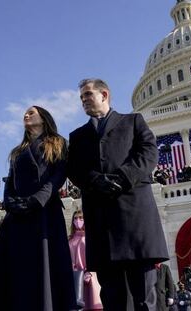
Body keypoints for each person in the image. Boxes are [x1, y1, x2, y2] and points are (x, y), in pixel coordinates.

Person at [67, 78, 169, 311]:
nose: (83, 100)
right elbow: (73, 168)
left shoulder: (132, 121)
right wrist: (95, 180)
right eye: (81, 97)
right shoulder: (78, 136)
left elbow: (148, 152)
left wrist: (122, 177)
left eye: (88, 95)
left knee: (145, 298)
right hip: (102, 227)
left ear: (104, 94)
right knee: (114, 298)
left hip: (135, 222)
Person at [0, 106, 76, 311]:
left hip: (44, 213)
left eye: (31, 112)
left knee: (44, 269)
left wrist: (36, 200)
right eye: (25, 112)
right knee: (14, 271)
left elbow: (58, 176)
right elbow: (9, 181)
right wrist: (10, 202)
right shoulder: (18, 151)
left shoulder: (58, 143)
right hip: (17, 217)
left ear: (44, 118)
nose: (26, 114)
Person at [68, 209, 103, 310]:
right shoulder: (70, 240)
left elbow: (94, 256)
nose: (78, 221)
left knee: (93, 305)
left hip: (90, 276)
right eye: (75, 218)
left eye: (81, 218)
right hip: (75, 278)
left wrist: (89, 271)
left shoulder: (89, 238)